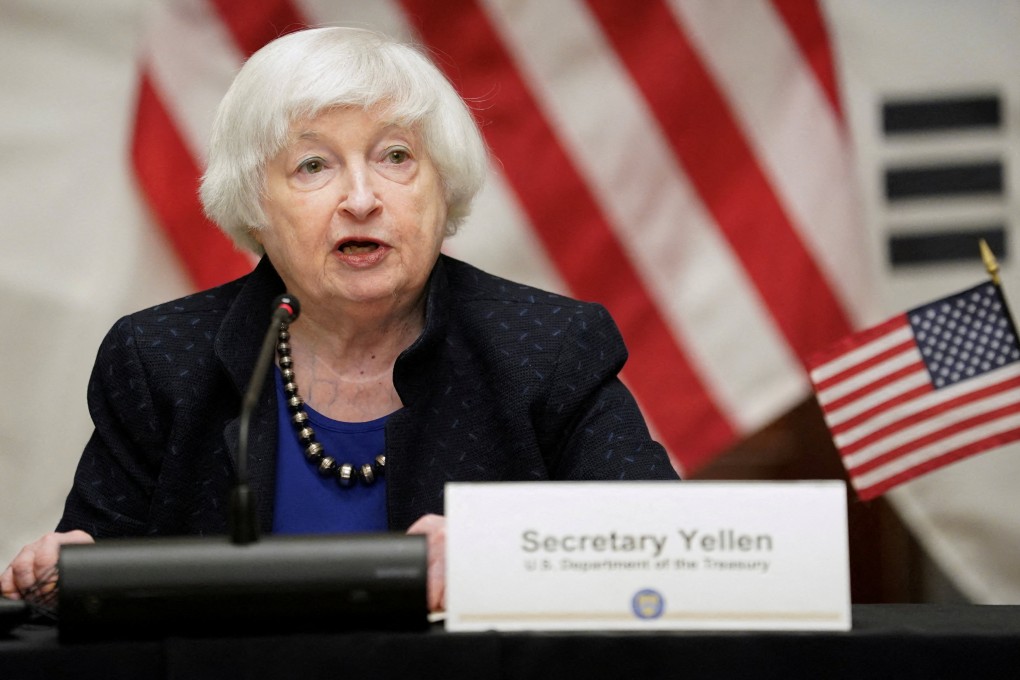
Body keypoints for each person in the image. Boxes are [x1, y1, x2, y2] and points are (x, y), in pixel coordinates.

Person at [0, 26, 677, 612]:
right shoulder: (160, 359)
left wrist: (501, 549)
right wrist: (65, 570)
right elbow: (96, 569)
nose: (361, 198)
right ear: (255, 205)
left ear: (443, 186)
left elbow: (660, 540)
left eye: (395, 157)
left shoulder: (546, 349)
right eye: (313, 164)